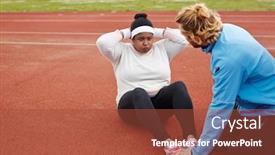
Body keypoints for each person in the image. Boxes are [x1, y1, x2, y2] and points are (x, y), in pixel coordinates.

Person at [175, 3, 275, 155]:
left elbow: (221, 107)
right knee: (220, 142)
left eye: (186, 36)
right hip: (257, 97)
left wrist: (195, 152)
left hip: (268, 110)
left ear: (196, 37)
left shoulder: (228, 59)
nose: (186, 40)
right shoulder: (228, 29)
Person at [96, 13, 196, 155]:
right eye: (141, 38)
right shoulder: (121, 52)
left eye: (149, 38)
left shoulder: (162, 48)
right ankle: (165, 141)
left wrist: (157, 31)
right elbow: (102, 42)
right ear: (132, 39)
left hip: (159, 110)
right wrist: (127, 31)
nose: (146, 42)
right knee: (139, 92)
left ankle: (190, 137)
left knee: (179, 86)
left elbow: (185, 38)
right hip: (131, 109)